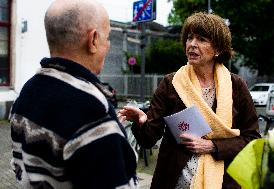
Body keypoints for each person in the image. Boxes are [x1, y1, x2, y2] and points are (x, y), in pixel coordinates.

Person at [118, 12, 261, 189]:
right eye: (189, 38)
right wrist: (141, 121)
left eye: (201, 39)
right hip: (174, 181)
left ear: (217, 49)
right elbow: (149, 139)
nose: (192, 44)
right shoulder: (171, 83)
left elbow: (252, 139)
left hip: (224, 181)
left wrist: (212, 146)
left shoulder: (236, 86)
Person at [9, 0, 138, 188]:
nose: (108, 45)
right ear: (93, 40)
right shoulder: (90, 110)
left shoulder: (27, 93)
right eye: (107, 37)